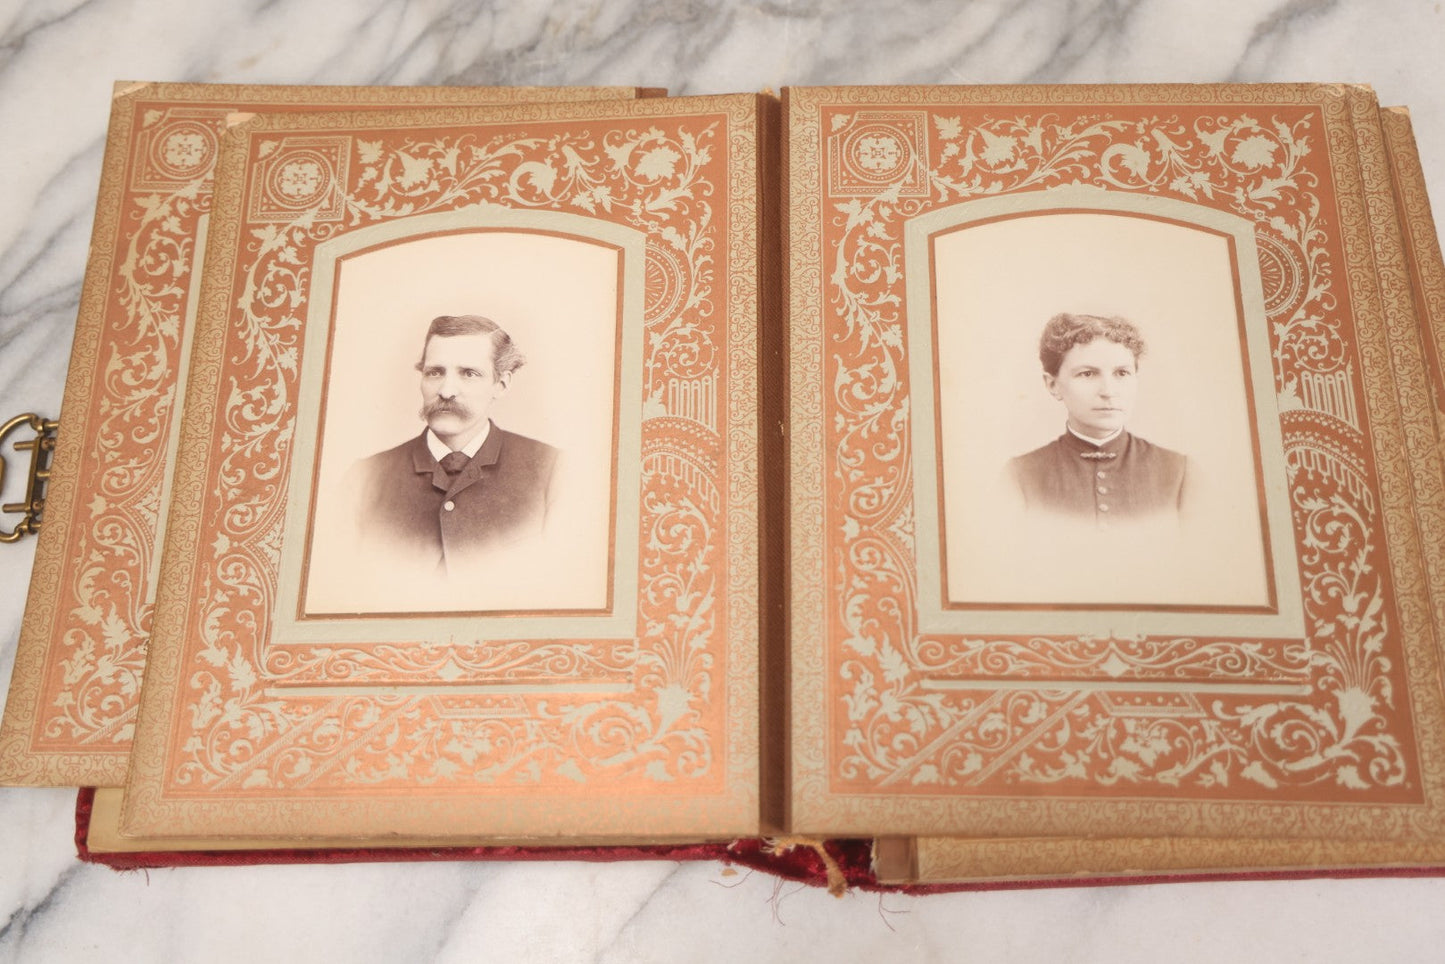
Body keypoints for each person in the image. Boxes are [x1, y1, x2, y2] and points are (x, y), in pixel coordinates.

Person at [348, 314, 558, 573]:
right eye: (435, 372)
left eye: (468, 373)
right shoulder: (363, 479)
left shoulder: (552, 470)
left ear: (501, 385)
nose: (446, 391)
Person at [1007, 313, 1187, 526]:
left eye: (1121, 373)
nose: (1108, 391)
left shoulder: (1179, 472)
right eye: (1087, 374)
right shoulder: (1019, 476)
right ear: (1053, 385)